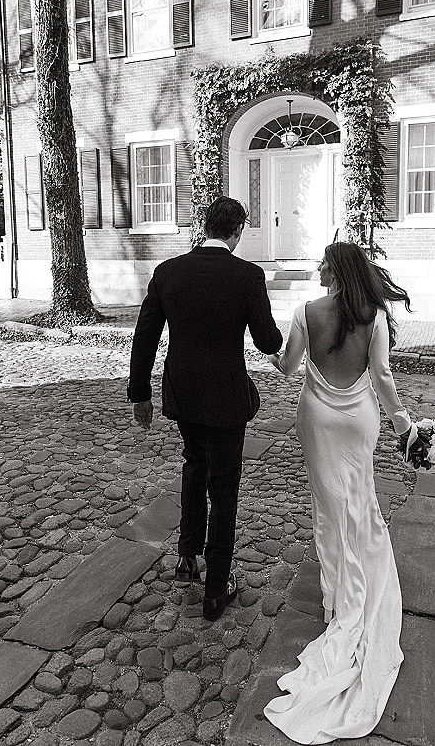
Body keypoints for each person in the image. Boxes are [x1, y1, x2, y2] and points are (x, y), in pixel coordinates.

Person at [263, 241, 412, 744]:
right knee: (361, 503)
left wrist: (272, 352)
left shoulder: (306, 311)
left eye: (325, 262)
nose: (320, 267)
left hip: (318, 418)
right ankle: (360, 579)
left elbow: (288, 369)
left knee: (328, 509)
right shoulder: (375, 318)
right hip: (360, 420)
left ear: (336, 268)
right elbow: (384, 378)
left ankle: (338, 597)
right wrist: (405, 426)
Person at [128, 196, 283, 621]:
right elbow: (267, 340)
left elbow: (145, 336)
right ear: (237, 231)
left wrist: (139, 392)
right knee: (224, 483)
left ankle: (186, 557)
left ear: (204, 226)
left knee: (194, 463)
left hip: (182, 391)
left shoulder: (168, 272)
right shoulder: (247, 275)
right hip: (226, 395)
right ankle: (216, 587)